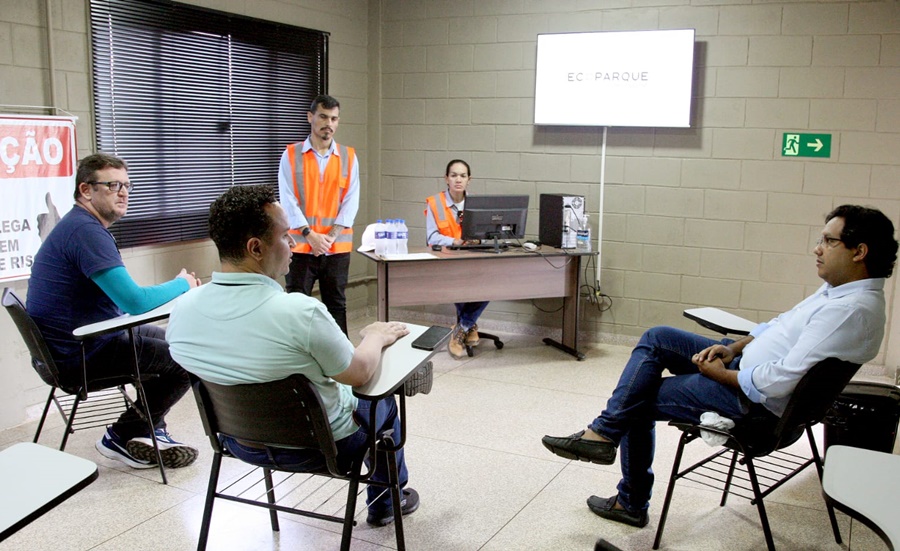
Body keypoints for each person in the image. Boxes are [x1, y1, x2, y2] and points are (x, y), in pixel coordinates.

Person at [542, 205, 898, 528]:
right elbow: (779, 324)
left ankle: (628, 500)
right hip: (743, 368)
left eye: (828, 241)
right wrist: (734, 348)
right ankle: (604, 433)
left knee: (638, 398)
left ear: (859, 252)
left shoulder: (851, 311)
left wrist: (723, 374)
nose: (817, 249)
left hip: (750, 401)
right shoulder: (841, 291)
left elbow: (780, 381)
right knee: (657, 337)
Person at [166, 185, 420, 527]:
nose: (294, 246)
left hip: (237, 441)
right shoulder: (301, 312)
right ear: (256, 248)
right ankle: (387, 502)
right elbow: (358, 374)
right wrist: (375, 336)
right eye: (286, 237)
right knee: (383, 400)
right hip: (325, 447)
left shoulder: (182, 311)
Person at [27, 153, 201, 470]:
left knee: (172, 341)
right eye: (112, 185)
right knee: (185, 361)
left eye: (126, 186)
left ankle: (150, 429)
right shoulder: (86, 232)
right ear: (86, 190)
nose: (123, 193)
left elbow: (120, 300)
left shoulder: (79, 225)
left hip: (76, 344)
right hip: (80, 354)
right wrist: (182, 283)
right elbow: (134, 301)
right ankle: (123, 436)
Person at [278, 94, 360, 336]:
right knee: (296, 307)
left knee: (336, 306)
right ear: (310, 117)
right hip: (301, 248)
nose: (329, 124)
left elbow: (351, 202)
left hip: (336, 248)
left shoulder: (348, 156)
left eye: (334, 118)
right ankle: (295, 360)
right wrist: (311, 235)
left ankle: (341, 362)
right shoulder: (291, 155)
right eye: (323, 116)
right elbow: (288, 200)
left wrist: (328, 238)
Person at [425, 159, 489, 359]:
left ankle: (463, 326)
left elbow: (487, 233)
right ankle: (467, 327)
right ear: (446, 178)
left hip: (473, 259)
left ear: (469, 179)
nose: (458, 180)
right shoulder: (435, 202)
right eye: (453, 175)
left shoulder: (478, 204)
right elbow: (431, 237)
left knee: (492, 283)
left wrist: (481, 238)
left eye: (462, 175)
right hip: (447, 260)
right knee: (459, 282)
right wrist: (456, 240)